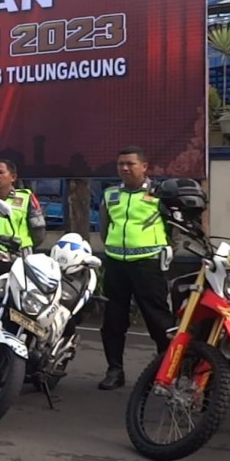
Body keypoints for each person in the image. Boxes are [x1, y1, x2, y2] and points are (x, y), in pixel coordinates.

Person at [97, 146, 174, 391]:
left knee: (158, 319)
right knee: (113, 320)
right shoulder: (110, 195)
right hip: (115, 264)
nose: (125, 168)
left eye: (130, 164)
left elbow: (173, 226)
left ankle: (166, 372)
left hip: (147, 264)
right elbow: (104, 227)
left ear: (144, 167)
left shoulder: (160, 194)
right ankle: (115, 370)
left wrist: (167, 248)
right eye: (121, 164)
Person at [0, 159, 47, 322]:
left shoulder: (26, 197)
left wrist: (23, 248)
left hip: (17, 263)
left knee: (17, 311)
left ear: (13, 177)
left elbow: (39, 231)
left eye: (1, 172)